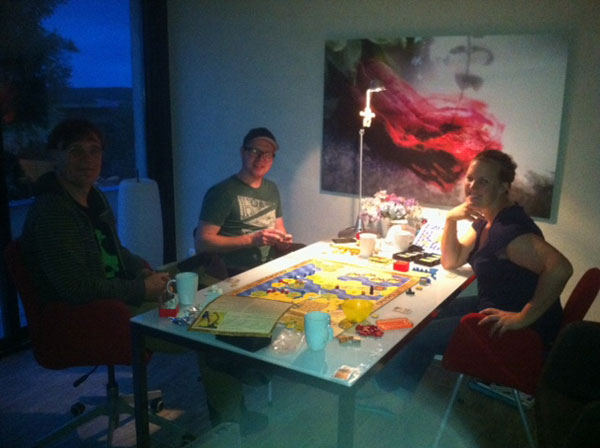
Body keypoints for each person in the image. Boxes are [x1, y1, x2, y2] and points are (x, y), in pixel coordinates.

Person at [375, 149, 573, 393]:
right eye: (470, 178)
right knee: (427, 313)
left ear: (503, 187)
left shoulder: (509, 231)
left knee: (419, 335)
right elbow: (452, 260)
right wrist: (451, 219)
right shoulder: (486, 221)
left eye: (484, 181)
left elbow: (560, 268)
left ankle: (387, 395)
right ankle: (395, 385)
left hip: (520, 334)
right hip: (494, 307)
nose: (472, 186)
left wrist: (523, 317)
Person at [20, 118, 170, 313]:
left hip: (117, 298)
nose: (87, 159)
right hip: (89, 314)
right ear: (54, 157)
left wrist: (141, 269)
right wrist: (141, 289)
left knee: (185, 300)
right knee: (177, 317)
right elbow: (76, 287)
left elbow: (114, 249)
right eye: (75, 151)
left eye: (94, 150)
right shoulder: (51, 212)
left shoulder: (96, 198)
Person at [194, 127, 294, 276]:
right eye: (254, 151)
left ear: (272, 159)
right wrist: (251, 240)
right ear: (243, 152)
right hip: (235, 272)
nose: (261, 159)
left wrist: (283, 242)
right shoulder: (222, 192)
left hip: (269, 267)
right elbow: (202, 243)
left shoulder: (272, 189)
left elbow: (279, 229)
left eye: (267, 154)